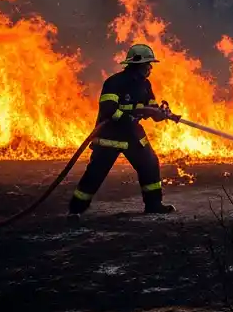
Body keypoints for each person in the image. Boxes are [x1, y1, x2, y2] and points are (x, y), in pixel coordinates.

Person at [67, 43, 176, 219]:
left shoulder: (145, 85)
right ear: (137, 64)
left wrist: (162, 114)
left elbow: (151, 108)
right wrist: (129, 117)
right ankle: (76, 209)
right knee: (95, 174)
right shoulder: (114, 82)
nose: (150, 68)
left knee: (150, 164)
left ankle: (154, 205)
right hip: (110, 136)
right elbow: (108, 109)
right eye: (148, 64)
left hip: (132, 134)